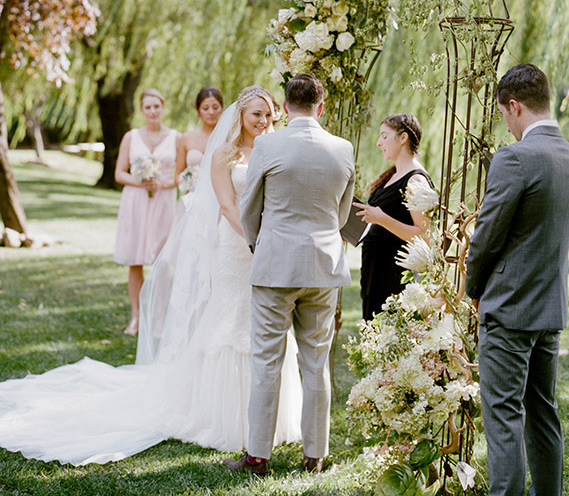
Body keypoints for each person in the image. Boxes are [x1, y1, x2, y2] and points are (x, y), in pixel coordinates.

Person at [0, 86, 302, 465]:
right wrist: (255, 241)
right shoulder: (224, 153)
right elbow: (226, 205)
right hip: (237, 245)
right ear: (240, 115)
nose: (263, 120)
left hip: (270, 247)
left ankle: (270, 419)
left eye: (268, 113)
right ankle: (221, 415)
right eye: (255, 113)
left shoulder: (275, 150)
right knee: (231, 318)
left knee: (266, 322)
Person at [225, 73, 355, 475]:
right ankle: (315, 454)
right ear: (321, 106)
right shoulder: (343, 148)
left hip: (276, 264)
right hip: (323, 266)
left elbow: (249, 206)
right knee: (316, 363)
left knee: (267, 361)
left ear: (284, 106)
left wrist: (258, 245)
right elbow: (343, 213)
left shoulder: (267, 144)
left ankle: (258, 456)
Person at [466, 64, 569, 496]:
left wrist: (472, 290)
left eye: (505, 116)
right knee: (542, 412)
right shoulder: (567, 154)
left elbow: (487, 238)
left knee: (505, 417)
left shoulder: (515, 157)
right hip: (548, 307)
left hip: (508, 309)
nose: (507, 127)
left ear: (514, 106)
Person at [114, 88, 180, 335]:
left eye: (157, 106)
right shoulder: (131, 137)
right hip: (136, 202)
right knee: (136, 260)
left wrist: (162, 183)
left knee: (162, 262)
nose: (153, 111)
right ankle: (136, 317)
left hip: (163, 202)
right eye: (148, 107)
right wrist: (139, 181)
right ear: (142, 110)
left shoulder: (176, 137)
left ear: (163, 107)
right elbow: (119, 173)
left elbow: (180, 174)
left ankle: (159, 319)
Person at [354, 113, 432, 321]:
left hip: (394, 278)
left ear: (403, 138)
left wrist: (381, 219)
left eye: (384, 136)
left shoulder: (415, 181)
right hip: (375, 274)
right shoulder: (393, 175)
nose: (379, 143)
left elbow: (425, 236)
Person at [175, 86, 224, 191]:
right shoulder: (187, 138)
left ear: (222, 109)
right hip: (191, 198)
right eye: (205, 108)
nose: (211, 112)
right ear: (198, 110)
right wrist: (188, 183)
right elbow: (177, 175)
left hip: (218, 198)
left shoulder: (229, 137)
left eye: (215, 107)